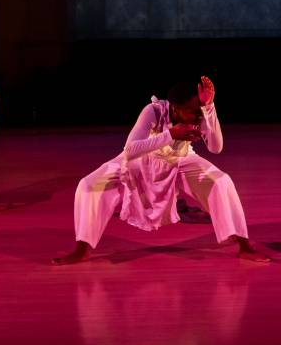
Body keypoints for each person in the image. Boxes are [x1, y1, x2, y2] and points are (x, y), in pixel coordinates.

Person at [52, 76, 269, 264]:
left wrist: (210, 108)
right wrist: (171, 134)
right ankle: (82, 248)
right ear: (176, 108)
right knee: (89, 185)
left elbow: (216, 147)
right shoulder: (154, 111)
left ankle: (244, 245)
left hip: (181, 160)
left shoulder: (201, 113)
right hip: (139, 162)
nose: (196, 115)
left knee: (221, 182)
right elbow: (130, 150)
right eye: (191, 111)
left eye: (198, 110)